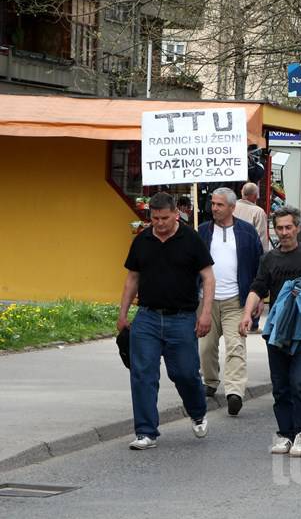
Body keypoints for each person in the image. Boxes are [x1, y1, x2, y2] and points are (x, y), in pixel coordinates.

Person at [117, 192, 215, 450]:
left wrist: (205, 313)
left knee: (184, 373)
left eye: (164, 218)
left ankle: (197, 412)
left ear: (175, 214)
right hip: (147, 317)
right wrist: (123, 314)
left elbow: (208, 277)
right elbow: (132, 279)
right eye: (154, 218)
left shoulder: (191, 240)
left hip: (181, 319)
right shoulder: (142, 241)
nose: (159, 223)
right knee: (142, 374)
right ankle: (146, 431)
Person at [238, 207, 301, 457]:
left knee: (300, 382)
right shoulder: (269, 259)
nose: (284, 233)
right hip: (278, 329)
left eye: (288, 227)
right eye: (279, 228)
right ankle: (286, 433)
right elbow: (257, 287)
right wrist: (247, 314)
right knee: (280, 385)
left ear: (297, 228)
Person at [198, 188, 263, 416]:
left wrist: (259, 297)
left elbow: (258, 265)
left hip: (237, 299)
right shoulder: (202, 231)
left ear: (232, 207)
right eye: (213, 204)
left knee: (236, 345)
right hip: (206, 301)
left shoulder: (246, 232)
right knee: (206, 347)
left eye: (219, 205)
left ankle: (234, 392)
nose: (214, 208)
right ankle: (210, 381)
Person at [234, 182, 270, 251]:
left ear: (242, 192)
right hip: (249, 250)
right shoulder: (258, 212)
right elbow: (261, 237)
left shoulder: (232, 206)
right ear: (255, 196)